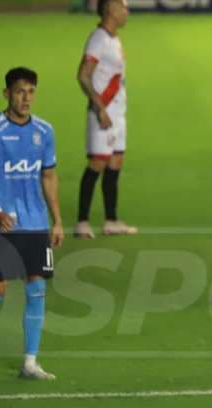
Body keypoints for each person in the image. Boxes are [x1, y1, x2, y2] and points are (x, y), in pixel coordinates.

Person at [0, 67, 63, 380]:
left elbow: (48, 176)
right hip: (1, 224)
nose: (26, 98)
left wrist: (57, 220)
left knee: (37, 288)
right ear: (7, 93)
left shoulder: (44, 131)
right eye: (20, 91)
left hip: (35, 223)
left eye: (31, 91)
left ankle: (30, 362)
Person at [75, 0, 137, 239]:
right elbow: (83, 75)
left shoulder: (114, 39)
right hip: (103, 114)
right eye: (124, 7)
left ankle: (111, 221)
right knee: (97, 165)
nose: (127, 12)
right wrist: (100, 108)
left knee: (115, 162)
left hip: (118, 114)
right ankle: (82, 222)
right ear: (111, 10)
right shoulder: (98, 39)